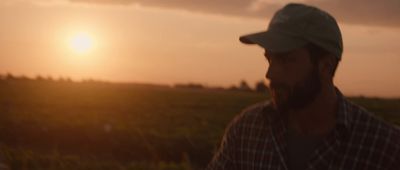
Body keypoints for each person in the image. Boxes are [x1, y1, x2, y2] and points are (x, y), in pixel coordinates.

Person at [206, 3, 400, 170]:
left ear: (326, 66)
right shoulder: (246, 130)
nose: (270, 74)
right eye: (270, 59)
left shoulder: (384, 147)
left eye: (286, 60)